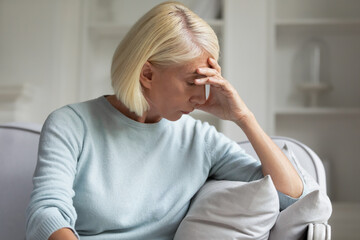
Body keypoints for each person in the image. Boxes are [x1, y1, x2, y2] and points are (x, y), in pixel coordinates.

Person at [26, 1, 306, 240]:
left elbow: (288, 194)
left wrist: (244, 118)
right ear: (147, 74)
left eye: (206, 81)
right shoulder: (71, 124)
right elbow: (47, 213)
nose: (201, 97)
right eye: (192, 82)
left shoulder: (200, 140)